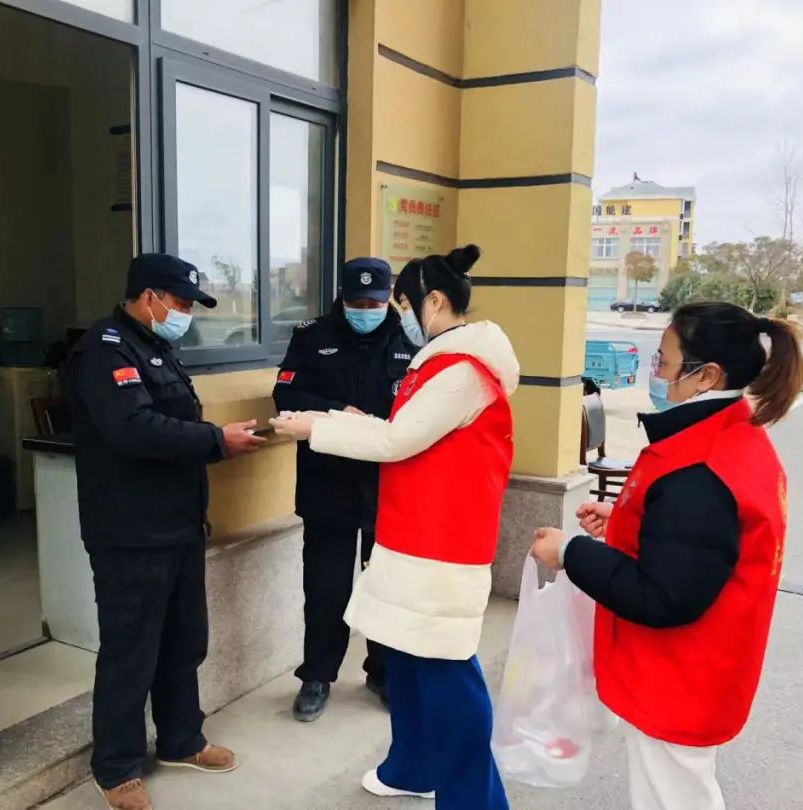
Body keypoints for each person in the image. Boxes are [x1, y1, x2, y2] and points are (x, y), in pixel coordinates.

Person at [531, 301, 803, 810]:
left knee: (673, 794)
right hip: (703, 663)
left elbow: (661, 594)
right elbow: (696, 545)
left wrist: (571, 552)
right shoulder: (728, 436)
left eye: (663, 360)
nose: (654, 372)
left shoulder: (701, 470)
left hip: (681, 672)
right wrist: (627, 521)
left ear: (707, 375)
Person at [272, 244, 517, 810]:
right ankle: (411, 765)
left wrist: (315, 426)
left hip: (441, 542)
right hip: (409, 529)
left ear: (435, 301)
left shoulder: (462, 372)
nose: (395, 315)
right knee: (405, 658)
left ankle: (476, 801)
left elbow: (394, 439)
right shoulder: (436, 362)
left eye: (401, 304)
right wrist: (324, 418)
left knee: (446, 673)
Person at [65, 253, 267, 810]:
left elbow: (172, 422)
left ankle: (182, 739)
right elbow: (133, 429)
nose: (186, 314)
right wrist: (216, 440)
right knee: (131, 651)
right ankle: (116, 767)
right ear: (148, 296)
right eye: (179, 302)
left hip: (179, 524)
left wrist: (215, 441)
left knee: (184, 640)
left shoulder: (156, 347)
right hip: (130, 531)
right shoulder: (104, 350)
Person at [273, 257, 417, 722]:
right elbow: (286, 394)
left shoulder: (410, 339)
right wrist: (338, 412)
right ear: (342, 298)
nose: (365, 311)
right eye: (356, 303)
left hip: (388, 486)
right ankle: (317, 676)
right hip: (327, 485)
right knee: (325, 589)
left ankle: (383, 673)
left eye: (373, 303)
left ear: (387, 298)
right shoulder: (311, 336)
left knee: (384, 588)